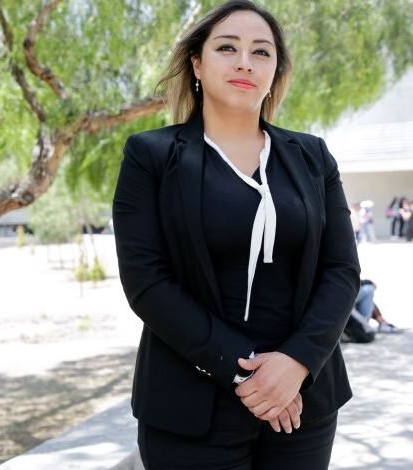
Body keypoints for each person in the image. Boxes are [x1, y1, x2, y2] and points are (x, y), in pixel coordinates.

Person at [111, 2, 361, 468]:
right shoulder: (151, 155)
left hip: (301, 402)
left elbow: (342, 270)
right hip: (189, 405)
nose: (245, 62)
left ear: (275, 71)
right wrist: (247, 373)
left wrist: (295, 363)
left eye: (261, 52)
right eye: (227, 48)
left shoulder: (312, 157)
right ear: (197, 64)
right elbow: (147, 281)